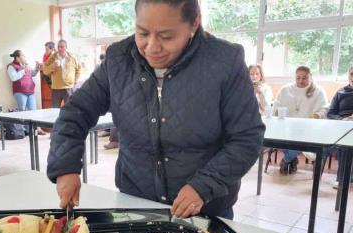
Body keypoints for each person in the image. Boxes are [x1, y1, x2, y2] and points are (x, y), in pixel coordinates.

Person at [47, 0, 265, 219]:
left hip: (205, 208)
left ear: (194, 23)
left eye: (166, 36)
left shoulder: (224, 61)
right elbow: (75, 113)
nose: (151, 47)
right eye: (142, 33)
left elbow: (247, 137)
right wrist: (66, 166)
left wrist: (204, 186)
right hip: (135, 202)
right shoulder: (118, 59)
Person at [275, 66, 328, 175]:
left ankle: (286, 160)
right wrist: (277, 113)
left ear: (310, 77)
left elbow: (324, 108)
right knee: (276, 137)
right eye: (298, 78)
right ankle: (292, 158)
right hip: (287, 127)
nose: (301, 81)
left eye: (304, 78)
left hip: (308, 128)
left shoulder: (318, 91)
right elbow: (277, 105)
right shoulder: (286, 89)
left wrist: (317, 115)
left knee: (302, 139)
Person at [327, 66, 353, 188]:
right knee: (344, 142)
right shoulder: (341, 92)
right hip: (342, 125)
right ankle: (343, 178)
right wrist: (343, 119)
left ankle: (346, 178)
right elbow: (330, 113)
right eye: (352, 74)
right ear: (349, 76)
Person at [42, 40, 81, 108]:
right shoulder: (52, 57)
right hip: (56, 88)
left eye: (62, 47)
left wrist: (76, 81)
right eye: (58, 47)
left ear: (66, 47)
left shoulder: (73, 57)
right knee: (55, 111)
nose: (59, 49)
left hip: (68, 88)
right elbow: (45, 71)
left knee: (69, 110)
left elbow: (79, 69)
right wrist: (52, 66)